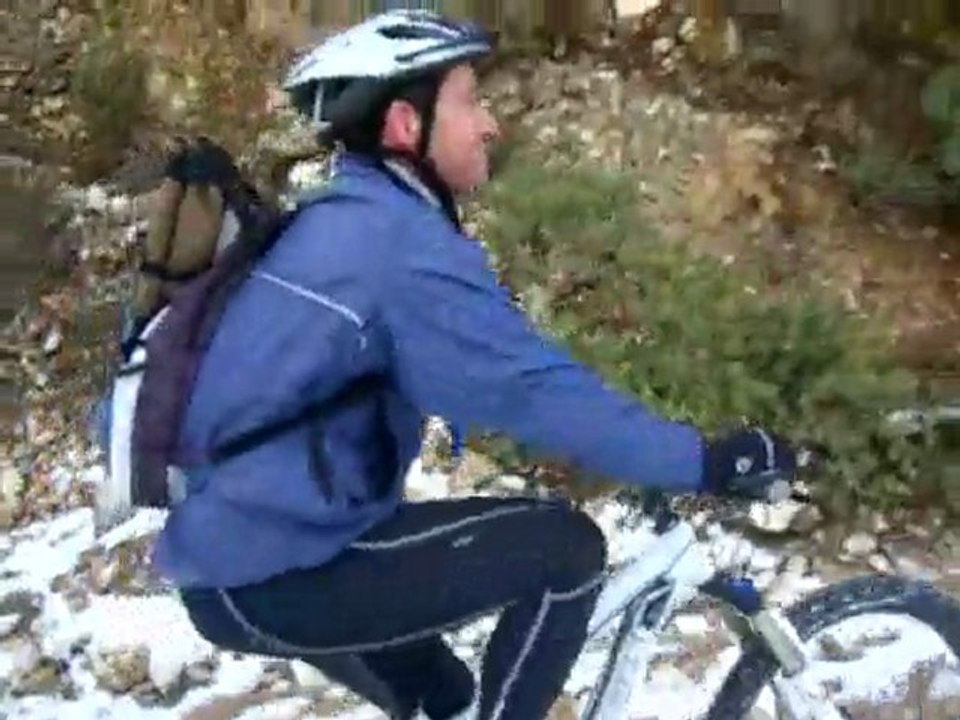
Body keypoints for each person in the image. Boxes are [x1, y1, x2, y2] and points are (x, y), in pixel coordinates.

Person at [159, 10, 797, 720]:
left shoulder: (337, 220)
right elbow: (529, 391)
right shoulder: (391, 244)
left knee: (449, 702)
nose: (489, 124)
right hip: (282, 569)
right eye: (469, 102)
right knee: (565, 550)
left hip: (235, 560)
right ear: (405, 123)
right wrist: (701, 462)